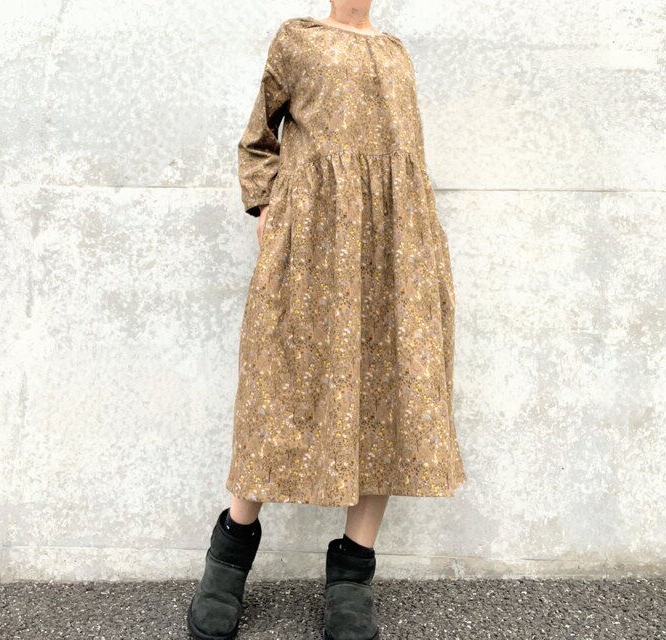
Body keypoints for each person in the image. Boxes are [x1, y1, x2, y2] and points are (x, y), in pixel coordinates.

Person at [187, 2, 467, 639]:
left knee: (387, 393)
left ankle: (352, 575)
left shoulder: (395, 52)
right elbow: (259, 136)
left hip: (395, 250)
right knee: (276, 386)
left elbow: (406, 165)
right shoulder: (298, 40)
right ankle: (229, 557)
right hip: (312, 241)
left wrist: (421, 245)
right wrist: (266, 206)